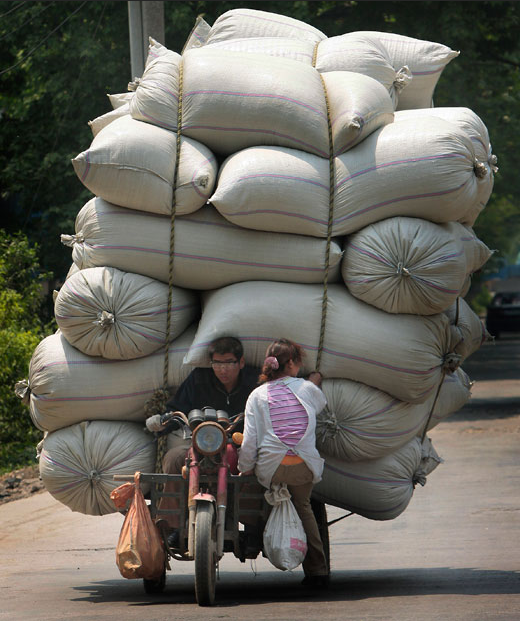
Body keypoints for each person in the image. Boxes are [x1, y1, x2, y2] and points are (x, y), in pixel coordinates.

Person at [145, 336, 260, 547]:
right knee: (173, 459)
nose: (222, 369)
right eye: (217, 363)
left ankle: (254, 525)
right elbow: (177, 407)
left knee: (257, 465)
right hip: (199, 445)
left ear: (241, 362)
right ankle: (173, 526)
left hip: (240, 445)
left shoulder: (254, 381)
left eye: (228, 363)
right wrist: (163, 421)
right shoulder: (199, 378)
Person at [238, 338, 329, 588]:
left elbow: (250, 441)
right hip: (304, 466)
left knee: (268, 498)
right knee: (304, 507)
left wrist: (245, 467)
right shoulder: (307, 388)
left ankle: (268, 541)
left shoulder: (257, 395)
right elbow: (319, 405)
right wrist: (313, 383)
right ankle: (318, 570)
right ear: (290, 364)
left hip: (272, 468)